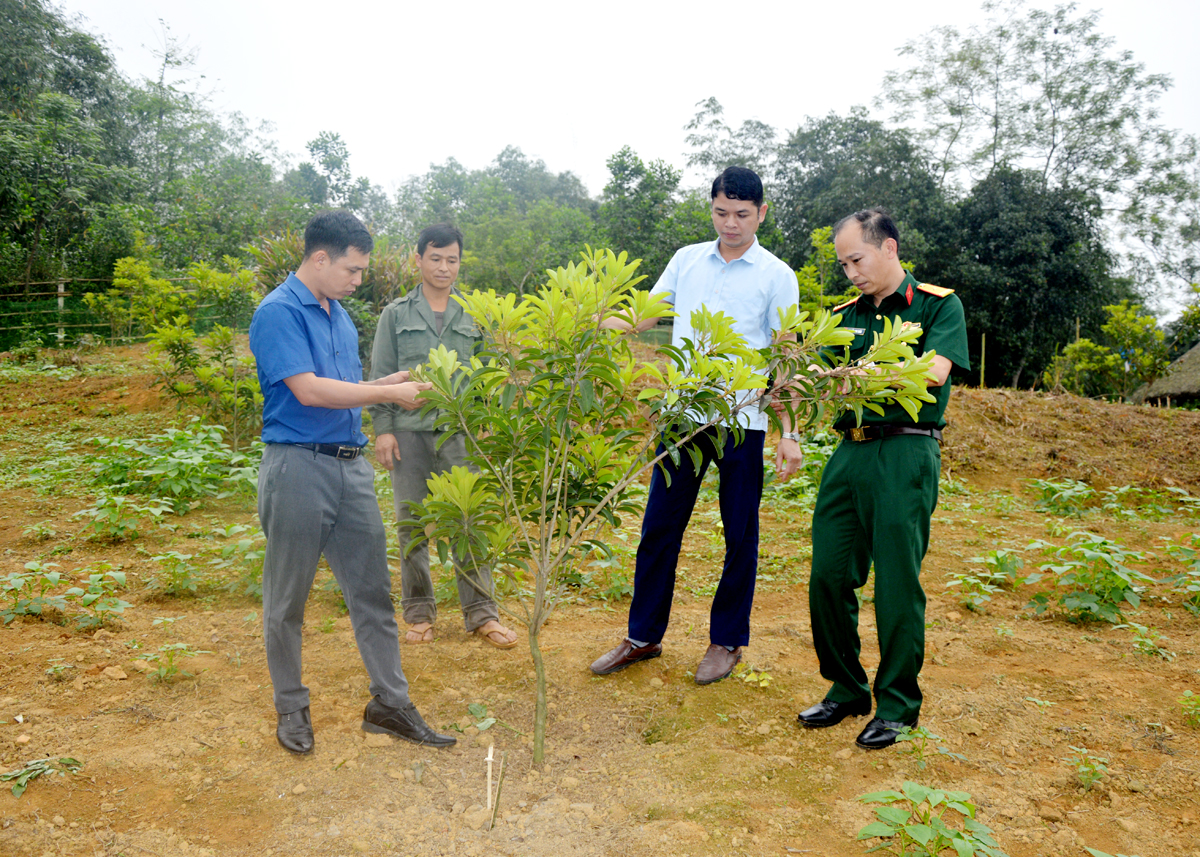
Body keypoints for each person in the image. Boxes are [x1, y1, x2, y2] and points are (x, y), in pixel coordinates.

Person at [249, 209, 456, 755]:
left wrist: (387, 381)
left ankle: (390, 704)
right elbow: (310, 392)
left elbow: (342, 387)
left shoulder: (338, 314)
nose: (359, 279)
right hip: (297, 468)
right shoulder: (278, 313)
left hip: (350, 467)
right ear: (320, 258)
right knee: (286, 601)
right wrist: (387, 395)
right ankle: (291, 707)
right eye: (353, 269)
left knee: (372, 595)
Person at [590, 166, 802, 685]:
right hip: (684, 417)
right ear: (712, 208)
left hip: (742, 420)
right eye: (721, 212)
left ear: (762, 214)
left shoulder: (777, 275)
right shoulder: (686, 261)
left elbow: (788, 357)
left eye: (742, 215)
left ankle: (726, 640)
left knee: (740, 533)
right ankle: (642, 636)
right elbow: (644, 315)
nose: (730, 224)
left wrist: (790, 432)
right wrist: (589, 323)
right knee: (659, 526)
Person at [796, 208, 969, 749]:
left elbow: (931, 371)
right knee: (827, 575)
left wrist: (851, 376)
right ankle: (846, 689)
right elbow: (812, 377)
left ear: (889, 248)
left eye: (857, 259)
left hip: (906, 452)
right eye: (843, 263)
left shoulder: (939, 306)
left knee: (896, 583)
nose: (850, 272)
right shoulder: (844, 316)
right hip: (849, 452)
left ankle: (897, 704)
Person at [368, 223, 518, 649]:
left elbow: (489, 374)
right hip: (409, 435)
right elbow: (381, 375)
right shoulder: (395, 314)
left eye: (452, 259)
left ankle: (482, 614)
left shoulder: (473, 314)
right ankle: (419, 615)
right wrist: (383, 430)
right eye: (435, 258)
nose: (443, 267)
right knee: (411, 524)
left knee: (469, 520)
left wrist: (489, 419)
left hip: (460, 434)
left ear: (459, 262)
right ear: (418, 260)